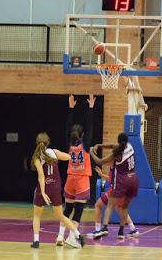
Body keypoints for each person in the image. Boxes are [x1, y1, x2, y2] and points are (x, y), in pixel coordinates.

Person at [31, 132, 85, 249]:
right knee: (60, 216)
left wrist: (43, 192)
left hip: (44, 187)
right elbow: (68, 157)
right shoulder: (54, 152)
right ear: (48, 142)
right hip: (56, 187)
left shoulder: (37, 156)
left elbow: (41, 175)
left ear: (37, 143)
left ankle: (36, 241)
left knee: (37, 216)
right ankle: (78, 234)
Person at [56, 94, 96, 245]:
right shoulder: (84, 145)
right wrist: (91, 108)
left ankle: (60, 236)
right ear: (83, 135)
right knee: (78, 211)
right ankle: (72, 238)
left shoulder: (69, 144)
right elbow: (90, 126)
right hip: (81, 180)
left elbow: (67, 128)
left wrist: (71, 109)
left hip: (70, 179)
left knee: (67, 210)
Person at [90, 132, 139, 239]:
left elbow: (100, 161)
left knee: (107, 205)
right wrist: (100, 145)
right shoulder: (130, 146)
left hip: (122, 182)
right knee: (122, 207)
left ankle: (103, 228)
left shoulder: (116, 157)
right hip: (134, 180)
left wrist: (91, 152)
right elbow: (114, 146)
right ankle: (124, 231)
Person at [88, 165, 139, 238]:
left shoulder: (115, 166)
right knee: (120, 208)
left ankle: (97, 230)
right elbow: (112, 179)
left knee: (98, 205)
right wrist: (102, 175)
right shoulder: (122, 166)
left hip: (116, 191)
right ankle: (133, 229)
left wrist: (102, 175)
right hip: (124, 190)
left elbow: (112, 179)